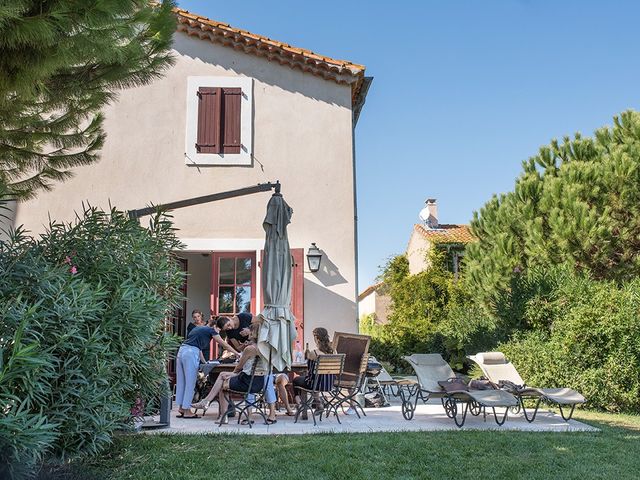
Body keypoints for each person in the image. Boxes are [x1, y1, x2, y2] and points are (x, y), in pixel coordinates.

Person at [175, 317, 239, 419]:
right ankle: (187, 411)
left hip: (182, 351)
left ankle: (181, 408)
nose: (229, 328)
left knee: (182, 381)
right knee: (190, 382)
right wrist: (237, 354)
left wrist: (205, 362)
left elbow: (198, 348)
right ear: (217, 327)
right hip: (191, 353)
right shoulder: (211, 330)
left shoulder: (198, 329)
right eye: (227, 326)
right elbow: (224, 344)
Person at [293, 327, 335, 420]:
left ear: (317, 338)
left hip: (314, 384)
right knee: (315, 380)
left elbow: (309, 370)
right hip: (329, 384)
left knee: (296, 380)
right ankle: (318, 403)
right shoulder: (334, 352)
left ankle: (299, 403)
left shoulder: (314, 353)